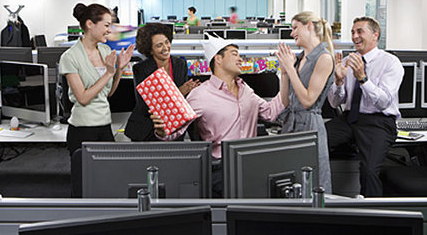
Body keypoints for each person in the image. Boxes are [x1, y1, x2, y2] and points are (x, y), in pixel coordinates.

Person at [152, 35, 287, 197]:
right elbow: (174, 132)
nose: (240, 59)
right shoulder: (200, 95)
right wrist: (161, 130)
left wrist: (285, 74)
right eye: (234, 54)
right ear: (218, 59)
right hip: (221, 170)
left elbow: (270, 113)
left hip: (251, 165)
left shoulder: (246, 90)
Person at [326, 16, 404, 197]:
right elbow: (335, 103)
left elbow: (384, 102)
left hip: (378, 121)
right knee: (315, 143)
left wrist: (362, 78)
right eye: (353, 32)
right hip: (350, 118)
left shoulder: (390, 63)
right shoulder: (347, 61)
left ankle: (372, 214)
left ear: (375, 35)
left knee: (369, 171)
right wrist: (338, 81)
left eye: (360, 31)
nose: (355, 36)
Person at [59, 3, 134, 156]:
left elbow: (108, 92)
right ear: (90, 24)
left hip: (105, 124)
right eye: (106, 25)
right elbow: (83, 98)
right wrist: (108, 73)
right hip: (83, 128)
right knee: (84, 178)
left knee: (107, 177)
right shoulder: (70, 57)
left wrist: (119, 69)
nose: (109, 30)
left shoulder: (105, 50)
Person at [275, 11, 335, 193]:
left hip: (310, 126)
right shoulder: (300, 58)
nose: (292, 33)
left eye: (295, 28)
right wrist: (285, 73)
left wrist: (291, 71)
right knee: (290, 181)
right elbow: (285, 101)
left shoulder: (323, 58)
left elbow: (308, 100)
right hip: (291, 125)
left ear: (309, 26)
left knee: (315, 182)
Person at [125, 23, 200, 141]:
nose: (165, 48)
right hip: (147, 129)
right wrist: (179, 92)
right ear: (150, 49)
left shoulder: (180, 64)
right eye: (159, 45)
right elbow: (146, 105)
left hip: (175, 128)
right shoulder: (141, 68)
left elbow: (185, 102)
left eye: (167, 42)